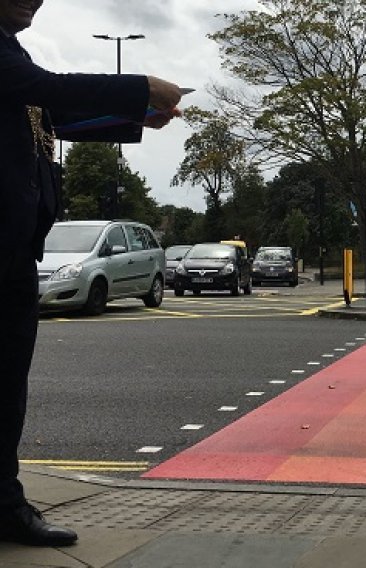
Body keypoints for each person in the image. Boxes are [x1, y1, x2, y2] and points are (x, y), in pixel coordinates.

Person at [1, 0, 183, 547]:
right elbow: (47, 87)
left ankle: (4, 505)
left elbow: (49, 113)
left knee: (8, 385)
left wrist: (138, 118)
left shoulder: (10, 48)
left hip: (14, 248)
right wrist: (139, 86)